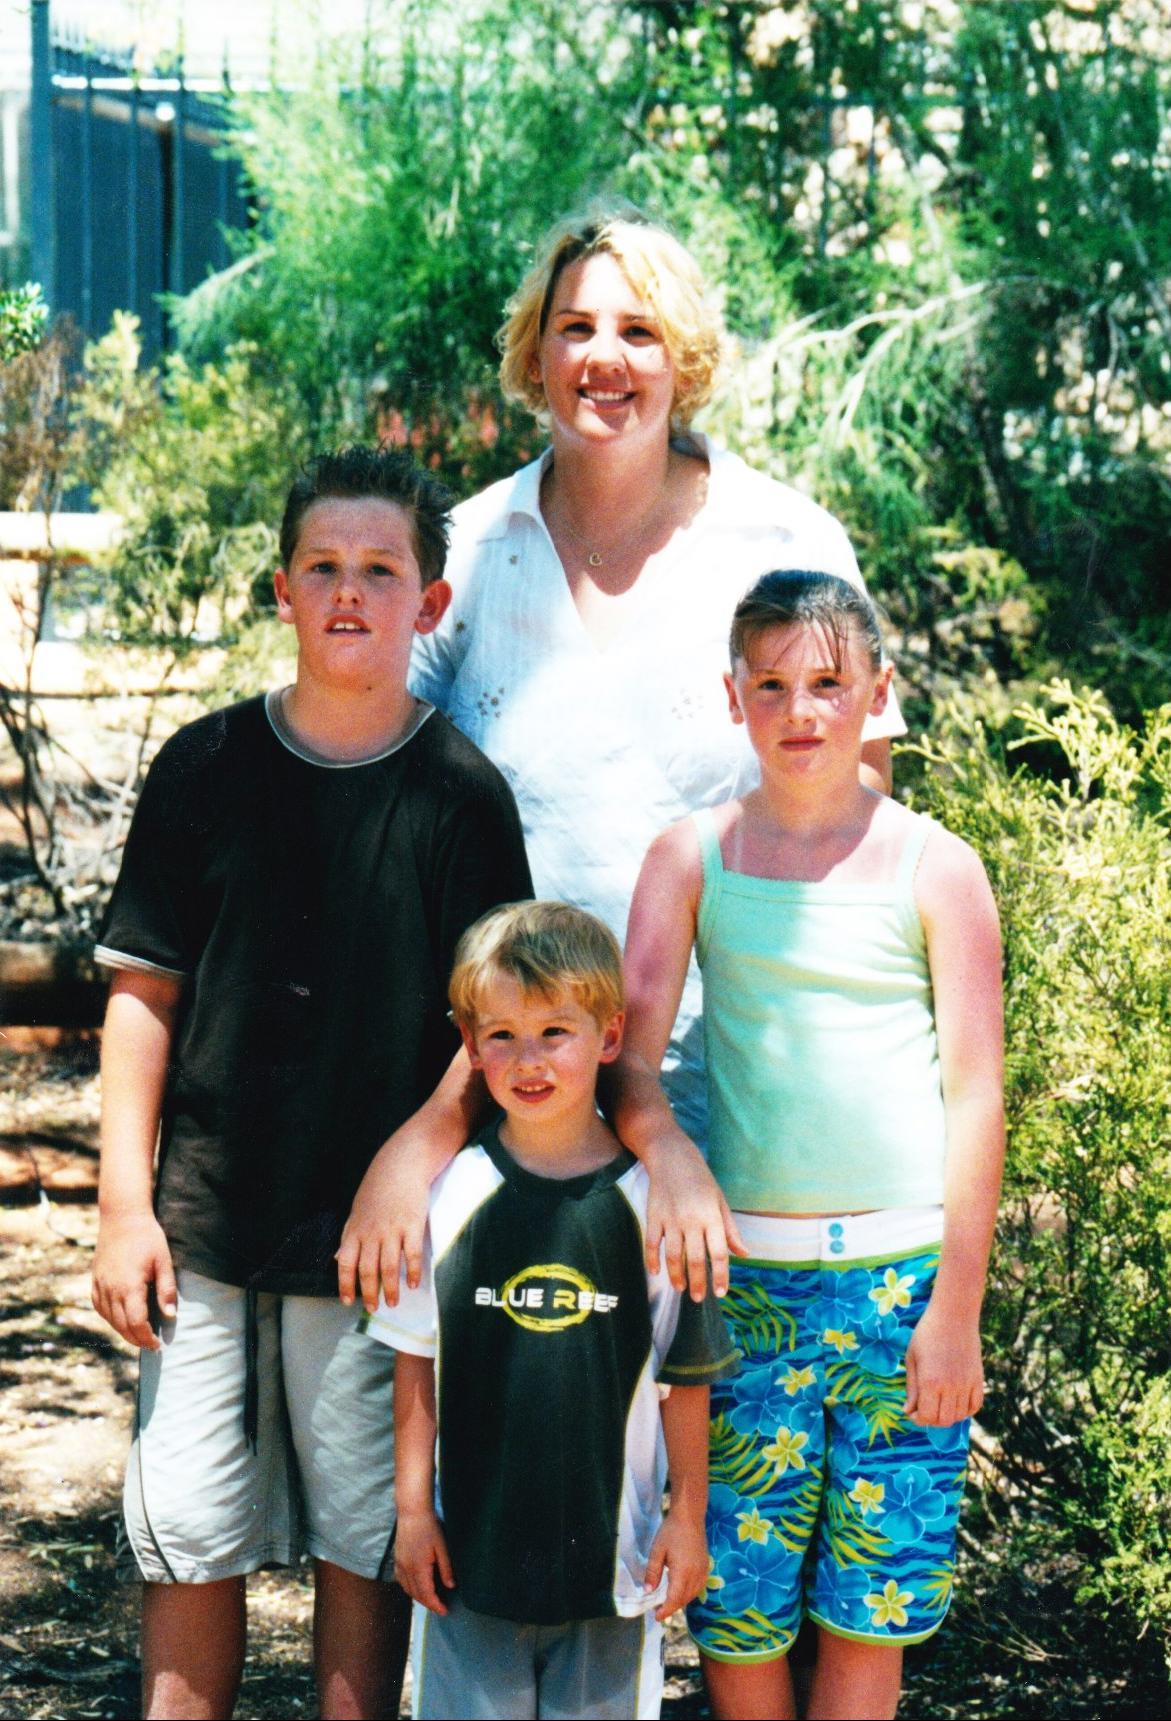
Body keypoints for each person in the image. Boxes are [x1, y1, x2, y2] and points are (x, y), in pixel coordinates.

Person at [339, 205, 906, 1317]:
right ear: (535, 349)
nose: (604, 358)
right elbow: (379, 795)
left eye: (639, 331)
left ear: (682, 356)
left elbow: (865, 795)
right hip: (509, 1087)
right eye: (576, 327)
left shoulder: (783, 542)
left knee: (708, 1403)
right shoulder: (469, 547)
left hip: (740, 1092)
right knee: (526, 1388)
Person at [89, 447, 533, 1721]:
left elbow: (492, 1025)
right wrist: (123, 1204)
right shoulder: (205, 766)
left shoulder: (459, 795)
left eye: (380, 569)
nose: (349, 591)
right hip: (205, 1231)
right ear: (281, 589)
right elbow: (143, 997)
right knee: (188, 1530)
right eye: (323, 566)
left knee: (364, 1536)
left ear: (429, 604)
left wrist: (414, 1153)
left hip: (373, 1247)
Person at [615, 570, 1005, 1721]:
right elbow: (628, 1064)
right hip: (744, 1292)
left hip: (903, 1291)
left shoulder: (937, 865)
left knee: (869, 1607)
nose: (801, 710)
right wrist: (670, 1154)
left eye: (829, 682)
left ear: (878, 692)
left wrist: (956, 1308)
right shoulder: (691, 858)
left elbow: (975, 1093)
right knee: (735, 1602)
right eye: (772, 684)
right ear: (731, 696)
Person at [362, 901, 738, 1720]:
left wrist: (687, 1517)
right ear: (470, 1046)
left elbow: (685, 1377)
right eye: (501, 1034)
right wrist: (412, 1511)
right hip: (470, 1568)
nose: (527, 1059)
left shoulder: (655, 1205)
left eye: (554, 1032)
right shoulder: (446, 1195)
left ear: (609, 1036)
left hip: (613, 1570)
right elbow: (415, 1360)